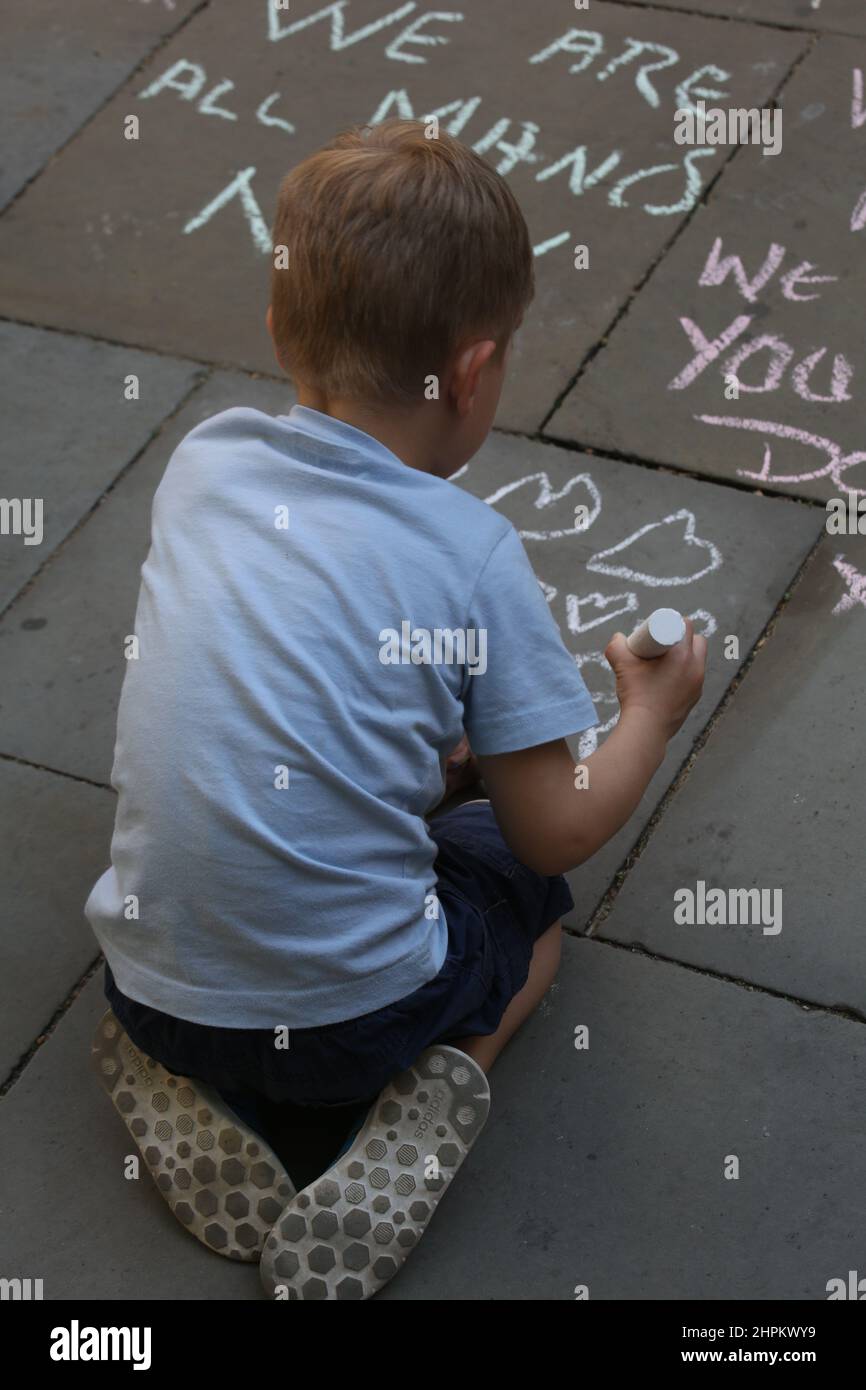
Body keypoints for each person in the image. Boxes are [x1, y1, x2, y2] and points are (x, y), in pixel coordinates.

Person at [86, 119, 706, 1300]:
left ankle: (166, 1072)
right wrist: (650, 713)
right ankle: (423, 1109)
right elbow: (557, 827)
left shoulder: (203, 463)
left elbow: (276, 679)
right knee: (530, 904)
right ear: (473, 373)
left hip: (154, 980)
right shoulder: (470, 554)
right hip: (359, 1023)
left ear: (279, 328)